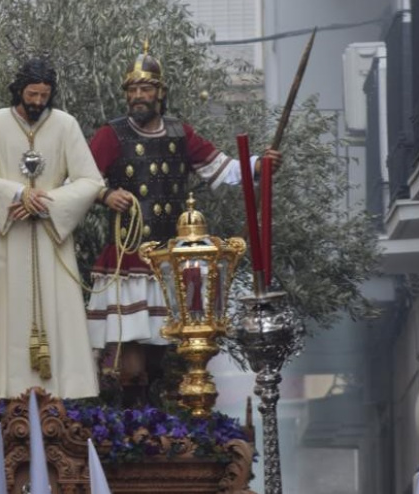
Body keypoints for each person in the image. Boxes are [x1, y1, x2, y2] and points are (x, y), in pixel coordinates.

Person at [86, 45, 281, 406]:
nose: (138, 97)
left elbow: (221, 168)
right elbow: (81, 179)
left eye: (146, 89)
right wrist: (105, 194)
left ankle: (152, 426)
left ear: (160, 92)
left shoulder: (180, 133)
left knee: (162, 351)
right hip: (128, 257)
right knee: (131, 352)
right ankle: (133, 423)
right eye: (132, 90)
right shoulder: (110, 135)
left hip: (169, 260)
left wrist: (258, 166)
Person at [0, 57, 103, 400]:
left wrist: (47, 202)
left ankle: (62, 393)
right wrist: (17, 193)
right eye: (32, 94)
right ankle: (3, 391)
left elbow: (90, 180)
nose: (38, 102)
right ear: (19, 90)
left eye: (44, 95)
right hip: (7, 240)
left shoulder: (66, 125)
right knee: (4, 312)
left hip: (52, 240)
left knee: (58, 312)